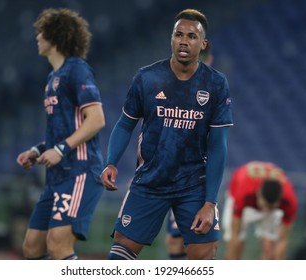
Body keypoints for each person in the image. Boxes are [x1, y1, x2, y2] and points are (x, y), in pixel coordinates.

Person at [101, 9, 233, 260]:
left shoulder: (216, 83)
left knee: (205, 255)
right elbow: (125, 124)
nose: (184, 40)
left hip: (194, 184)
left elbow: (218, 146)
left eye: (192, 36)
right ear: (171, 39)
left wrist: (210, 203)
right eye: (178, 34)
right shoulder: (147, 77)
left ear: (202, 43)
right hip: (151, 180)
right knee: (120, 253)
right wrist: (111, 161)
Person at [16, 8, 105, 260]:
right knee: (32, 247)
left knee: (58, 245)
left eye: (41, 32)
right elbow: (63, 131)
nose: (37, 37)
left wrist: (60, 149)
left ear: (54, 35)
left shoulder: (78, 70)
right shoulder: (53, 77)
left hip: (80, 172)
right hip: (56, 177)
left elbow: (97, 119)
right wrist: (37, 151)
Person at [165, 41, 214, 260]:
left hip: (194, 177)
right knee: (177, 239)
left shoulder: (213, 89)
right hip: (170, 173)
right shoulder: (170, 85)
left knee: (198, 242)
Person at [222, 161, 298, 259]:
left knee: (270, 248)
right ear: (258, 194)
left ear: (279, 201)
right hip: (242, 197)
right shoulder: (243, 192)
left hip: (262, 202)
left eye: (270, 207)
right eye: (264, 205)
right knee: (237, 243)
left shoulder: (289, 200)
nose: (265, 210)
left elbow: (282, 240)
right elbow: (235, 234)